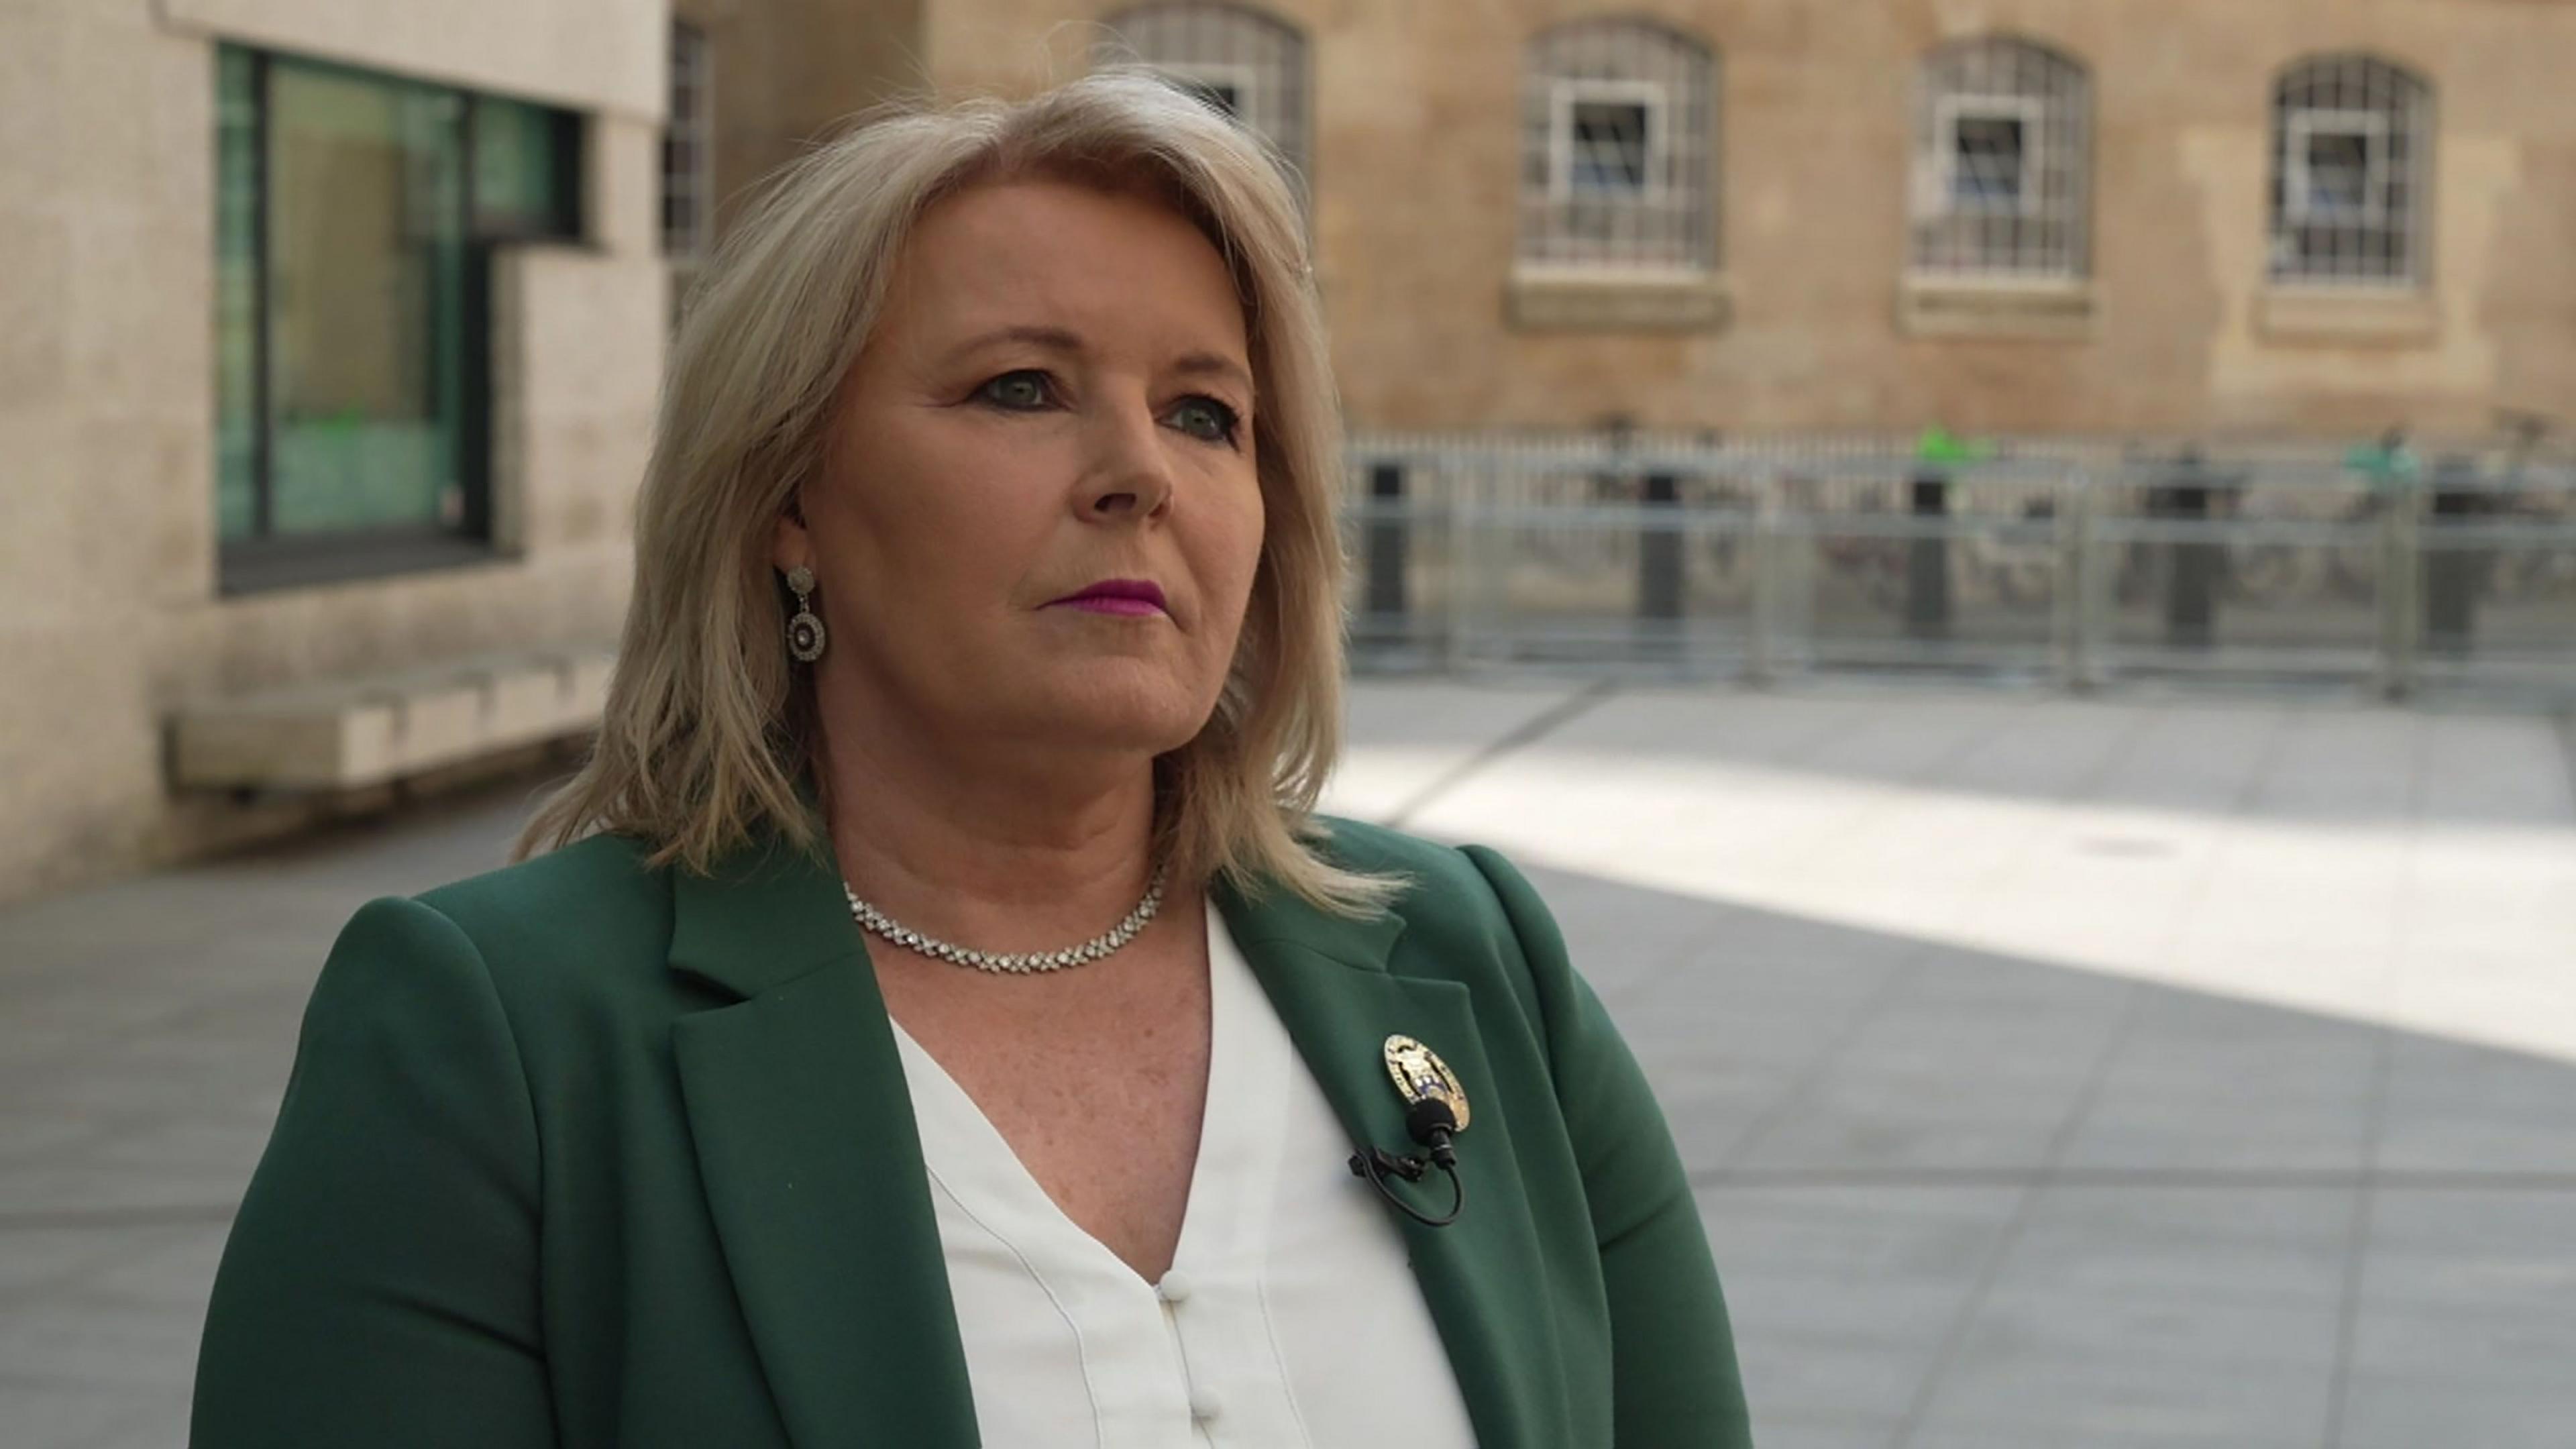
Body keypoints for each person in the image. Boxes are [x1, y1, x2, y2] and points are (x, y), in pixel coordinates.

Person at [191, 71, 1752, 1448]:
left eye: (1207, 413)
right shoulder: (498, 1038)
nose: (1139, 471)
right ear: (790, 497)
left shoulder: (1480, 964)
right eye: (1023, 388)